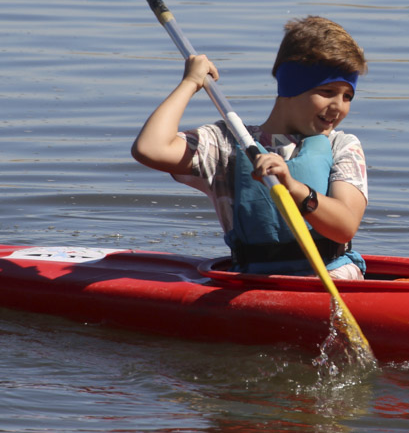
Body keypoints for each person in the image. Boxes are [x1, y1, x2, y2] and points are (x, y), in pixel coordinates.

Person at [131, 15, 368, 279]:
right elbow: (149, 148)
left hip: (331, 276)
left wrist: (293, 187)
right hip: (249, 281)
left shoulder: (342, 145)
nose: (339, 107)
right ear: (292, 86)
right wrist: (190, 83)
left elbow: (345, 226)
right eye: (327, 92)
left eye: (347, 96)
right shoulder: (227, 144)